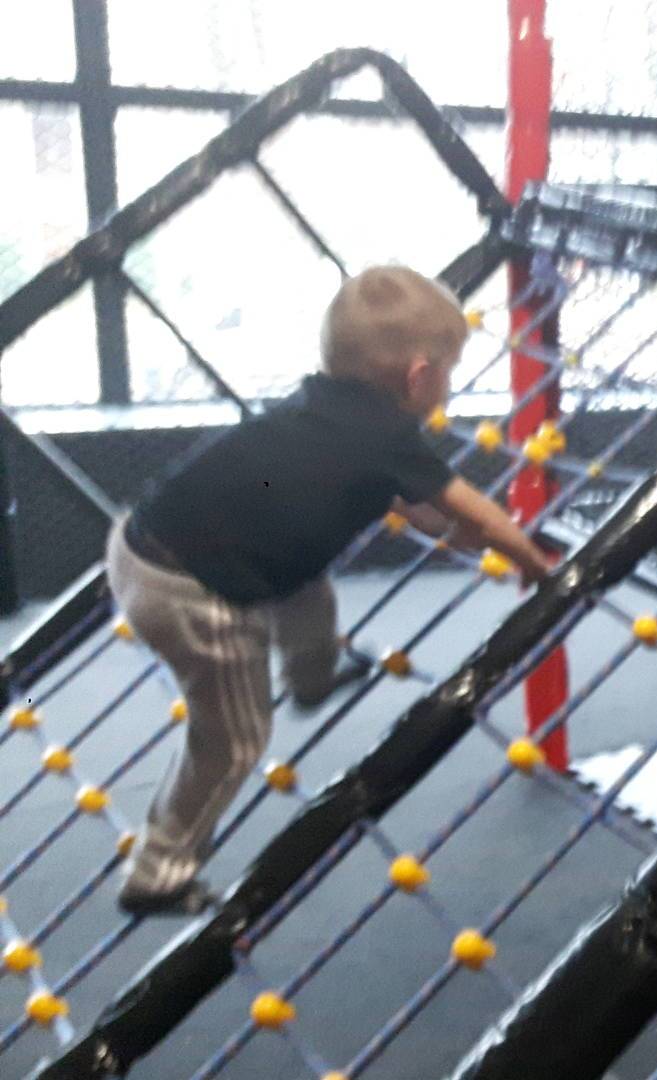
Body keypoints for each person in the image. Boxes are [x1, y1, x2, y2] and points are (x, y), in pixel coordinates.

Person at [107, 266, 551, 916]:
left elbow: (431, 516)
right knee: (233, 740)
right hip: (190, 592)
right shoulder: (388, 436)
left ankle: (311, 676)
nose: (449, 386)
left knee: (307, 591)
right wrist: (538, 566)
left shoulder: (323, 407)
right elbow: (476, 516)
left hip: (142, 545)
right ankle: (158, 875)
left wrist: (466, 536)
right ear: (419, 377)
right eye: (449, 372)